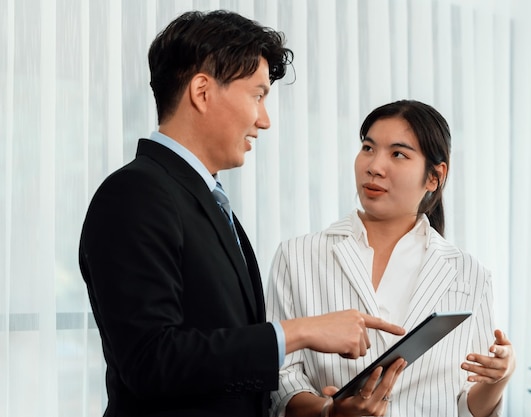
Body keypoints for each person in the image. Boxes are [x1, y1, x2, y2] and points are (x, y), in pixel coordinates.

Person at [78, 10, 405, 417]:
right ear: (202, 91)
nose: (264, 120)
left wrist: (325, 410)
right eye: (258, 95)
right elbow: (150, 361)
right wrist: (299, 332)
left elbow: (221, 364)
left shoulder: (204, 198)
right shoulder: (134, 194)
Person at [266, 100, 516, 417]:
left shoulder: (471, 274)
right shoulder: (297, 256)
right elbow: (280, 380)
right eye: (368, 148)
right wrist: (329, 411)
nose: (374, 166)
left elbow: (466, 405)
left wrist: (500, 378)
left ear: (434, 177)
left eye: (397, 154)